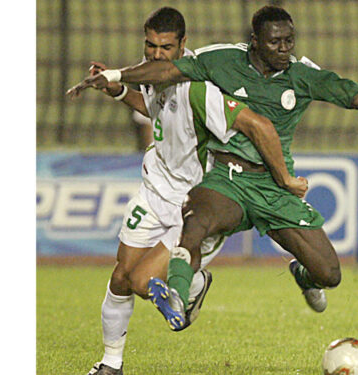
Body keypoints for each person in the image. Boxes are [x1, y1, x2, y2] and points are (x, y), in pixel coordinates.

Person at [67, 5, 358, 332]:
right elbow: (166, 72)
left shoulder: (305, 75)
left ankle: (302, 275)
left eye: (289, 40)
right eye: (275, 41)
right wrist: (117, 77)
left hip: (274, 186)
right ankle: (178, 296)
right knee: (196, 221)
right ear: (254, 41)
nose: (284, 48)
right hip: (226, 178)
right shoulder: (222, 60)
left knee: (329, 273)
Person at [70, 7, 308, 375]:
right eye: (150, 46)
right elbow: (152, 109)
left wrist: (283, 179)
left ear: (184, 44)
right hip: (154, 190)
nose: (156, 54)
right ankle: (110, 365)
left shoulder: (202, 87)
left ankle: (193, 281)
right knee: (120, 277)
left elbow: (256, 125)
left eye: (166, 47)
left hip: (194, 203)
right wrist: (118, 90)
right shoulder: (151, 72)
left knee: (139, 281)